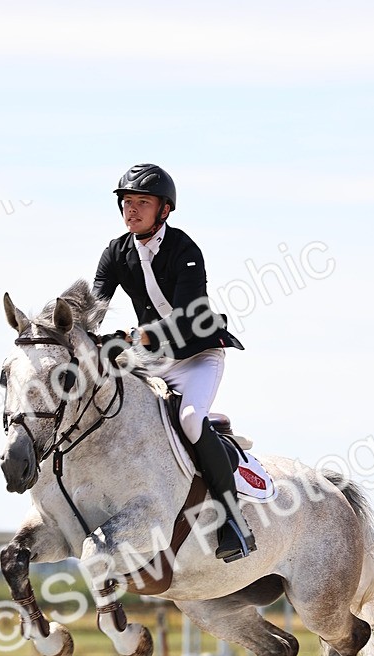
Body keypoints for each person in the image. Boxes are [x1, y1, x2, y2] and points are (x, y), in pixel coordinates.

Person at [93, 163, 256, 563]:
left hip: (196, 356)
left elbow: (185, 318)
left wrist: (134, 338)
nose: (132, 211)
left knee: (187, 420)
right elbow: (94, 309)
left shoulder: (184, 250)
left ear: (164, 210)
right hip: (151, 360)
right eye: (127, 203)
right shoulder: (116, 252)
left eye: (142, 203)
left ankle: (233, 520)